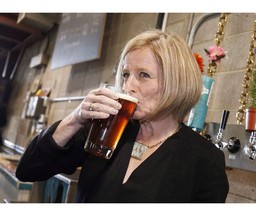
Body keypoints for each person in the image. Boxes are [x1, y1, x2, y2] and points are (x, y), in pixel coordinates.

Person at [16, 29, 229, 203]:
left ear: (176, 82)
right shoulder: (104, 130)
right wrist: (76, 118)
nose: (128, 86)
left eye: (143, 75)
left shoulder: (204, 159)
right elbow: (28, 170)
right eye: (126, 75)